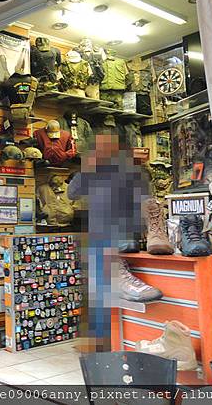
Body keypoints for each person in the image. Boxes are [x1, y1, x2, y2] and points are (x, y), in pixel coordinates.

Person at [67, 131, 148, 350]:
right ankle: (100, 343)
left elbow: (145, 201)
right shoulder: (91, 172)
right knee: (98, 294)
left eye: (106, 148)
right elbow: (71, 193)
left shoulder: (131, 171)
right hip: (98, 239)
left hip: (125, 239)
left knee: (116, 290)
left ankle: (116, 343)